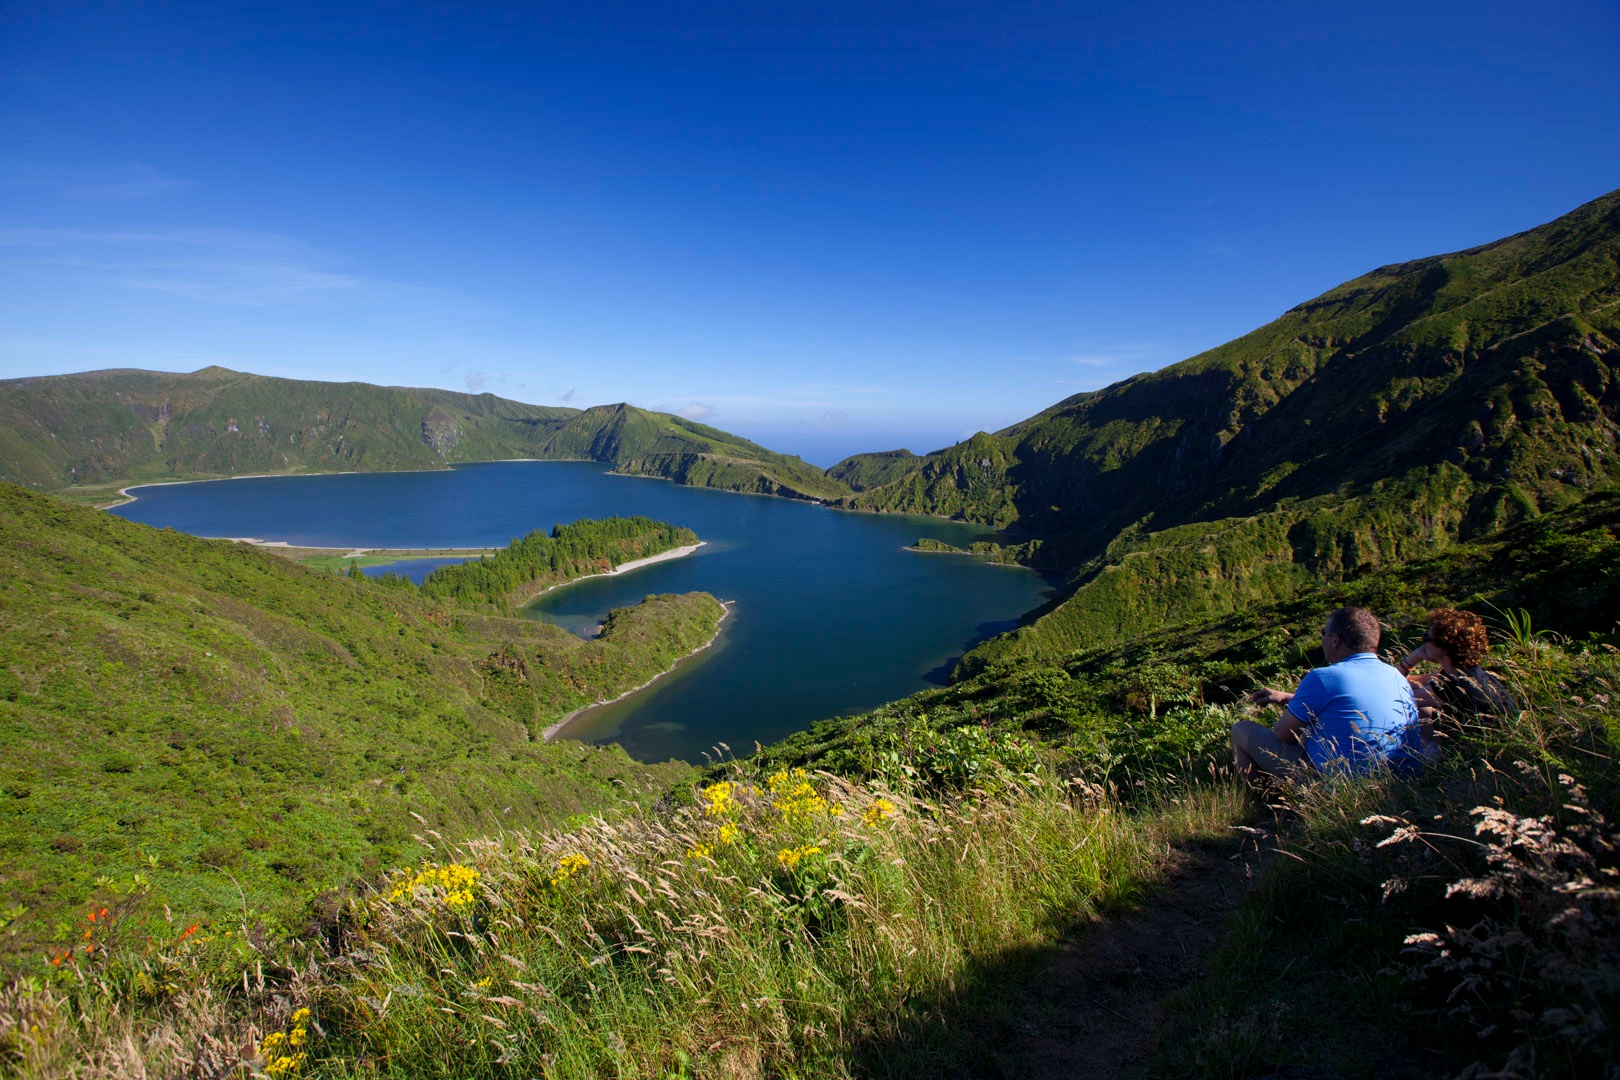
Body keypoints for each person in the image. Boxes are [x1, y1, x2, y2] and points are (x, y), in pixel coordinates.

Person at [1231, 606, 1424, 783]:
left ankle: (1264, 808)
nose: (1322, 638)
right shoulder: (1397, 677)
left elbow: (1283, 734)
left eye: (1324, 633)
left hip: (1343, 787)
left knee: (1241, 730)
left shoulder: (1324, 677)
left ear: (1335, 639)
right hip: (1405, 783)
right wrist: (1289, 698)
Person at [1398, 608, 1516, 740]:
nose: (1423, 643)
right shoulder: (1472, 674)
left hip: (1474, 751)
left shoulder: (1456, 685)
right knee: (1422, 713)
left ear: (1442, 646)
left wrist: (1409, 661)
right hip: (1495, 740)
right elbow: (1404, 683)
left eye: (1426, 637)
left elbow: (1395, 697)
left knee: (1409, 713)